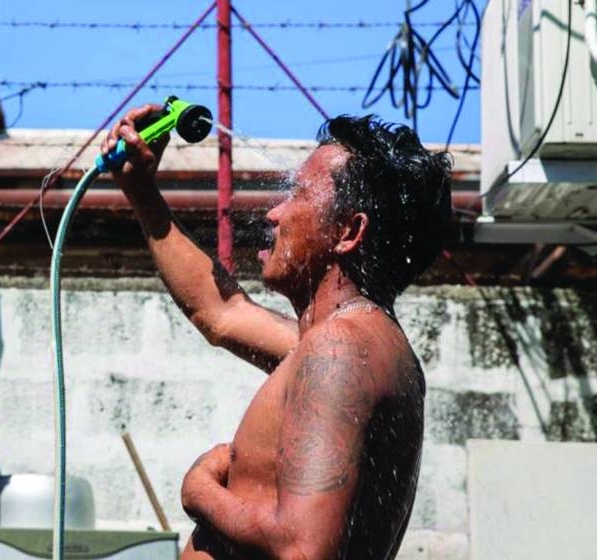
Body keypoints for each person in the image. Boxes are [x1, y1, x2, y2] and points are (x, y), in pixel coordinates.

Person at [102, 108, 453, 560]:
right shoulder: (344, 344)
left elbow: (303, 550)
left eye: (298, 194)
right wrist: (142, 191)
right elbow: (222, 313)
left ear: (349, 232)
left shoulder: (340, 349)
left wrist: (199, 492)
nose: (275, 211)